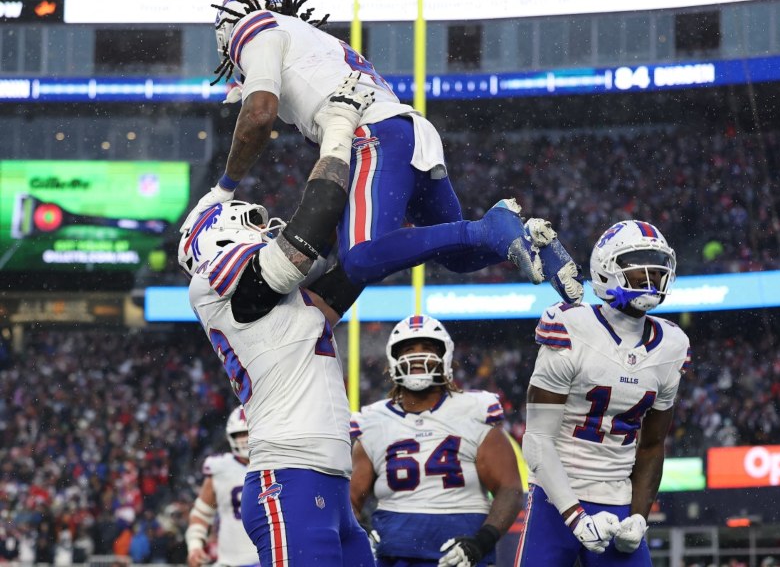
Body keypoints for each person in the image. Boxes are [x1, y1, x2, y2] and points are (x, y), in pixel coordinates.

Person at [181, 0, 583, 305]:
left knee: (360, 259)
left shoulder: (257, 29)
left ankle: (490, 227)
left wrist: (225, 187)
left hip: (373, 137)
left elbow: (258, 115)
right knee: (458, 259)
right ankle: (534, 242)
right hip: (408, 133)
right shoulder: (315, 43)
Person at [180, 79, 378, 566]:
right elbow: (315, 223)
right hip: (289, 476)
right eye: (247, 220)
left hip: (323, 480)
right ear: (218, 234)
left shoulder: (277, 304)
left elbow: (348, 260)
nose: (261, 224)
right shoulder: (214, 281)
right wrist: (337, 125)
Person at [516, 220, 692, 566]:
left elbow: (653, 445)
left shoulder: (673, 345)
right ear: (606, 268)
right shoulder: (571, 326)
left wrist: (639, 517)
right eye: (638, 263)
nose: (651, 275)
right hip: (556, 497)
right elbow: (537, 440)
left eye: (657, 266)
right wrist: (576, 517)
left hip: (618, 500)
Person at [350, 315, 524, 567]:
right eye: (409, 349)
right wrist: (360, 533)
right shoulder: (373, 421)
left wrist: (481, 542)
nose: (418, 356)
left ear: (445, 357)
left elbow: (510, 488)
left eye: (428, 349)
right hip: (394, 554)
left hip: (461, 554)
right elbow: (350, 500)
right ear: (393, 360)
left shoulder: (475, 410)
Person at [186, 406, 259, 567]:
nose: (245, 439)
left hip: (270, 559)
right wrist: (195, 546)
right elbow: (201, 514)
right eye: (239, 434)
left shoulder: (279, 465)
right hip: (231, 561)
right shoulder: (221, 468)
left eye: (248, 432)